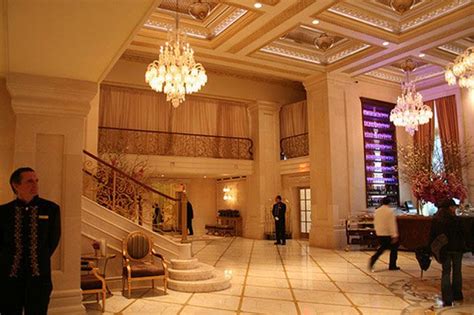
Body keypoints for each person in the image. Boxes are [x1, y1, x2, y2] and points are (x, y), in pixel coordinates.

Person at [0, 167, 61, 314]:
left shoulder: (51, 209)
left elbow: (53, 240)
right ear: (16, 185)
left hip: (39, 277)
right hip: (9, 278)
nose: (35, 185)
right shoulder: (3, 212)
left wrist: (39, 257)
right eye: (29, 181)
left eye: (36, 181)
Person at [429, 199, 465, 307]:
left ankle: (447, 297)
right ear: (450, 208)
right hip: (457, 249)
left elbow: (432, 235)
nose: (455, 209)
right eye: (454, 207)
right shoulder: (457, 220)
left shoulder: (437, 220)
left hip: (444, 249)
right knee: (457, 271)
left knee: (445, 272)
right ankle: (457, 294)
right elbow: (462, 234)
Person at [369, 197, 400, 271]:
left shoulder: (377, 211)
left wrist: (377, 231)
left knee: (382, 248)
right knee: (394, 249)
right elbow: (392, 224)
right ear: (389, 203)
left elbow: (375, 222)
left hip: (380, 233)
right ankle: (392, 265)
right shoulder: (390, 211)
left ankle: (374, 259)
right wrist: (394, 235)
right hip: (387, 233)